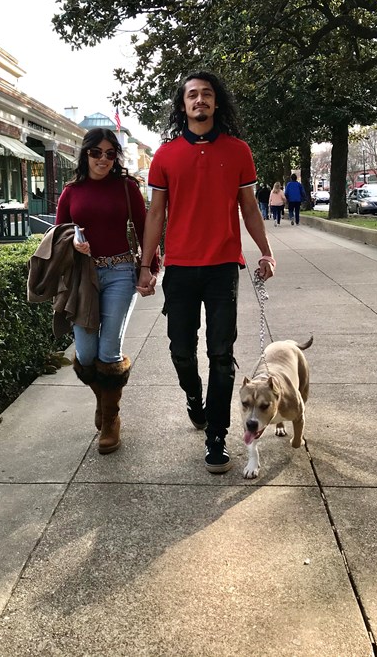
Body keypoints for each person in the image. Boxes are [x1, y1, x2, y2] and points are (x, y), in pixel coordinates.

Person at [137, 71, 275, 474]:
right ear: (183, 105)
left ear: (216, 103)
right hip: (179, 267)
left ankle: (217, 435)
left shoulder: (238, 151)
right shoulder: (165, 155)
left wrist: (265, 252)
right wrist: (146, 266)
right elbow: (156, 213)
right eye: (192, 95)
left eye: (207, 95)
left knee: (221, 354)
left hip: (221, 269)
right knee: (181, 349)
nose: (199, 100)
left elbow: (249, 207)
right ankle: (193, 398)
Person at [55, 127, 155, 455]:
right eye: (96, 152)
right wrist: (74, 242)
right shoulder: (71, 192)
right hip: (83, 276)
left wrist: (149, 269)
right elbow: (58, 235)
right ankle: (103, 399)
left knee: (109, 349)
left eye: (110, 153)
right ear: (85, 154)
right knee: (85, 354)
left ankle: (111, 418)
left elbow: (144, 230)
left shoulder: (127, 188)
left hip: (120, 272)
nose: (103, 159)